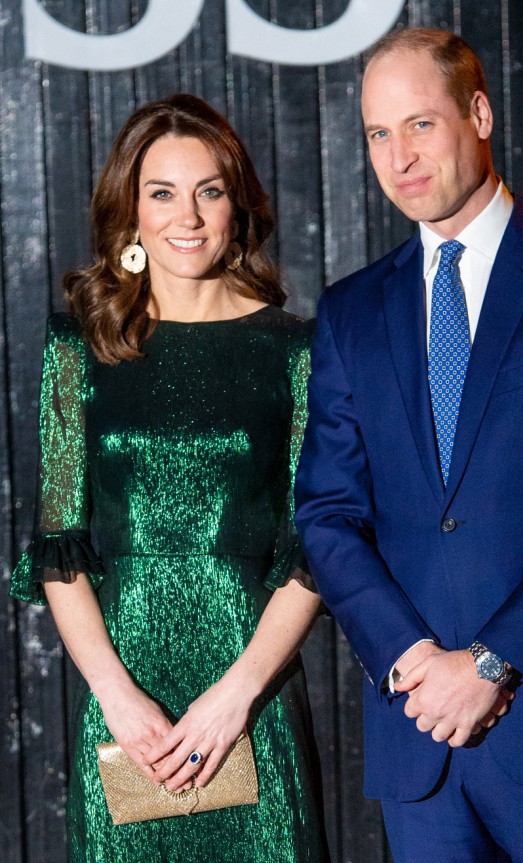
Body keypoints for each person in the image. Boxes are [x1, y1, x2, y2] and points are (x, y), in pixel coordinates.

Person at [295, 27, 523, 863]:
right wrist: (413, 659)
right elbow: (326, 511)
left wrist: (492, 662)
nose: (400, 157)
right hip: (418, 734)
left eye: (420, 124)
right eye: (378, 134)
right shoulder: (351, 312)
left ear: (480, 111)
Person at [10, 93, 328, 863]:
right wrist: (120, 700)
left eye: (209, 191)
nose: (186, 217)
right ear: (131, 210)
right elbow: (59, 546)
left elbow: (317, 546)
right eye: (162, 193)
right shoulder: (75, 348)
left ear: (237, 208)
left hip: (251, 697)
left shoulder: (297, 351)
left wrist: (235, 695)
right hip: (125, 707)